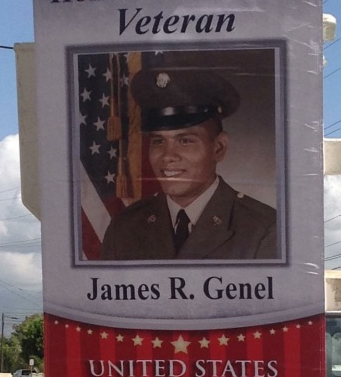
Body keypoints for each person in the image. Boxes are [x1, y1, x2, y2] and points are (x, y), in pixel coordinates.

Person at [99, 65, 276, 261]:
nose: (168, 156)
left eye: (185, 141)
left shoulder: (264, 230)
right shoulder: (123, 228)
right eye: (158, 141)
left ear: (219, 148)